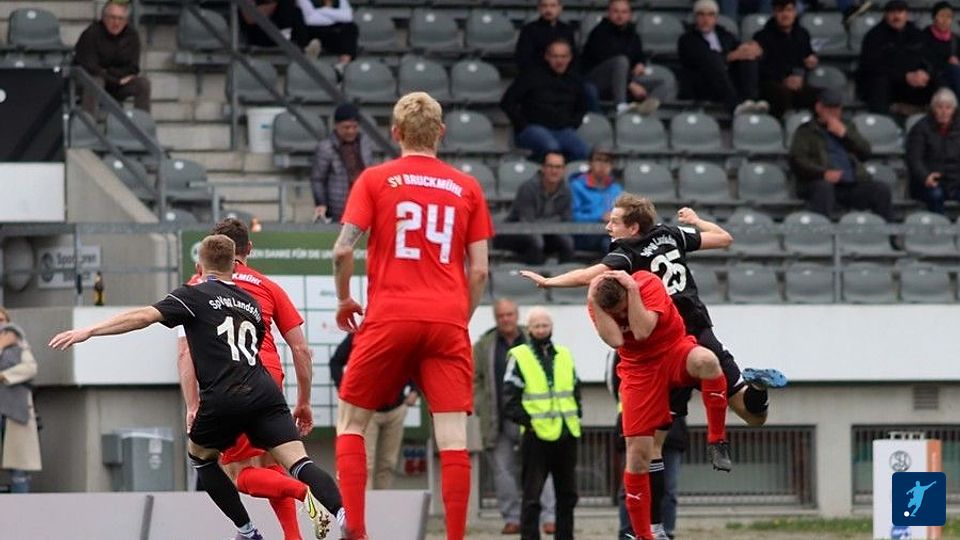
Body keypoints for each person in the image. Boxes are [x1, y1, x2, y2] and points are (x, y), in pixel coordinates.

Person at [50, 235, 343, 540]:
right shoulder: (252, 303)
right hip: (265, 390)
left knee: (204, 459)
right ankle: (343, 515)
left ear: (199, 265)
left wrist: (90, 330)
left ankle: (248, 530)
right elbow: (285, 347)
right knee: (298, 462)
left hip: (226, 395)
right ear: (234, 264)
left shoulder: (192, 295)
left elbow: (147, 319)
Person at [332, 91, 493, 540]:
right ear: (441, 132)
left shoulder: (375, 179)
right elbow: (480, 270)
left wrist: (344, 299)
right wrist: (459, 318)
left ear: (395, 132)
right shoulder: (467, 187)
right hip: (446, 320)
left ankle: (356, 530)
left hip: (390, 314)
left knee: (351, 423)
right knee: (453, 436)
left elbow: (342, 250)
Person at [177, 218, 315, 540]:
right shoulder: (267, 286)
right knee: (273, 461)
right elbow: (301, 349)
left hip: (233, 378)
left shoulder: (197, 287)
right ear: (248, 248)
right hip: (269, 377)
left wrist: (192, 405)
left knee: (238, 473)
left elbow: (185, 353)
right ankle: (293, 536)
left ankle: (304, 492)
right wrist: (304, 401)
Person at [588, 270, 728, 540]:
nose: (621, 316)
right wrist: (594, 302)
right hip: (639, 371)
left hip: (672, 350)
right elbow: (616, 341)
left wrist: (632, 291)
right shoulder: (598, 302)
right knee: (638, 458)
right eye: (616, 313)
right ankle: (644, 534)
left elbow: (642, 331)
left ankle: (717, 440)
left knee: (707, 361)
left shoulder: (647, 283)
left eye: (623, 309)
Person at [473, 299, 556, 535]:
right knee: (503, 472)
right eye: (501, 315)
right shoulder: (485, 345)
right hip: (497, 419)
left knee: (541, 468)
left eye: (509, 314)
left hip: (531, 418)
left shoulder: (532, 338)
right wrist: (479, 405)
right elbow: (475, 379)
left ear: (517, 315)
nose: (506, 319)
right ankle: (512, 518)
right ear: (496, 318)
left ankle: (549, 517)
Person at [502, 307, 581, 540]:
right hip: (536, 436)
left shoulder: (564, 354)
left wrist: (577, 413)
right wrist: (529, 423)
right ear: (528, 329)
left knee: (567, 495)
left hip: (567, 433)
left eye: (544, 325)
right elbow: (510, 399)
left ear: (551, 327)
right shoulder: (519, 356)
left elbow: (575, 389)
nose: (541, 330)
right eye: (536, 326)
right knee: (532, 496)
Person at [330, 333, 419, 490]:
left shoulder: (402, 331)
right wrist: (344, 389)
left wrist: (414, 390)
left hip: (396, 410)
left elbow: (413, 362)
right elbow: (335, 362)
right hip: (367, 411)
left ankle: (383, 503)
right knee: (366, 464)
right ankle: (367, 503)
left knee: (388, 464)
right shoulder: (361, 332)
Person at [789, 88, 894, 220]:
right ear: (819, 107)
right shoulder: (806, 131)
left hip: (851, 183)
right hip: (821, 182)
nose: (833, 113)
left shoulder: (847, 126)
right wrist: (823, 173)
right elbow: (797, 160)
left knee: (881, 190)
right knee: (824, 189)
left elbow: (865, 153)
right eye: (829, 108)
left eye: (837, 109)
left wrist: (845, 134)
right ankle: (820, 232)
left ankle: (888, 232)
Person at [501, 40, 590, 162]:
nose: (559, 61)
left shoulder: (575, 79)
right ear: (547, 57)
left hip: (563, 130)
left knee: (583, 151)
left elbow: (582, 107)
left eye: (563, 56)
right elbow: (507, 102)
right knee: (552, 148)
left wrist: (572, 124)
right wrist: (523, 125)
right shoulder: (531, 75)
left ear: (570, 57)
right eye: (555, 56)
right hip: (533, 129)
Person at [677, 0, 765, 115]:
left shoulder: (724, 35)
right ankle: (734, 106)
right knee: (714, 61)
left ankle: (750, 100)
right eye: (701, 15)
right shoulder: (687, 39)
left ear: (716, 18)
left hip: (728, 81)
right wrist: (731, 56)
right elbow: (705, 59)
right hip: (702, 84)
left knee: (748, 57)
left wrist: (752, 49)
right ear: (695, 17)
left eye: (710, 15)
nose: (706, 19)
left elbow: (738, 49)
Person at [495, 152, 576, 266]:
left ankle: (567, 275)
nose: (554, 171)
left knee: (567, 243)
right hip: (515, 232)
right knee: (536, 242)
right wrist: (554, 220)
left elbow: (566, 222)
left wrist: (552, 224)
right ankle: (533, 276)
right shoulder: (528, 188)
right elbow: (528, 223)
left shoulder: (566, 191)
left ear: (564, 170)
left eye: (558, 167)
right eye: (550, 166)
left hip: (546, 233)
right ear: (543, 168)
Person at [581, 0, 660, 115]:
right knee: (621, 61)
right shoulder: (599, 33)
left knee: (663, 81)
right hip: (597, 81)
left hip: (626, 79)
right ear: (609, 13)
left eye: (624, 12)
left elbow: (639, 55)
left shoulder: (632, 33)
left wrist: (640, 64)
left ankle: (646, 111)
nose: (620, 16)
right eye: (616, 11)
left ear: (630, 15)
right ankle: (621, 106)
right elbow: (609, 65)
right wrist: (630, 84)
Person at [857, 0, 932, 116]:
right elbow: (871, 66)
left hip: (911, 84)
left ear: (906, 14)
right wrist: (904, 76)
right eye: (892, 12)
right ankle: (881, 121)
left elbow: (928, 58)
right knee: (879, 82)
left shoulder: (916, 34)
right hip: (887, 85)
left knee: (937, 79)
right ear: (885, 14)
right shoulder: (874, 36)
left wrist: (924, 72)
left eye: (900, 11)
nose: (896, 16)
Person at [74, 0, 151, 114]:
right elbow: (91, 68)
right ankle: (88, 121)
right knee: (95, 81)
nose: (116, 22)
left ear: (126, 21)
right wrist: (116, 80)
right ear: (104, 18)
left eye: (121, 19)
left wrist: (112, 75)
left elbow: (133, 68)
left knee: (143, 84)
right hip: (91, 81)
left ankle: (143, 122)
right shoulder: (90, 34)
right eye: (112, 18)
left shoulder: (132, 36)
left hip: (117, 83)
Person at [753, 0, 819, 118]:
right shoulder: (762, 36)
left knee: (822, 97)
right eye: (780, 11)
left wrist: (811, 61)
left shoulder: (803, 34)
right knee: (782, 94)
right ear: (774, 13)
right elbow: (760, 68)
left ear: (795, 12)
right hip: (772, 83)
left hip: (798, 82)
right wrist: (784, 79)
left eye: (789, 10)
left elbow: (808, 56)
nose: (785, 15)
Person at [311, 103, 374, 224]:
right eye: (346, 127)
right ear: (336, 125)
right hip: (338, 207)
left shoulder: (365, 143)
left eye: (354, 127)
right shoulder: (326, 147)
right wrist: (321, 203)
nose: (351, 131)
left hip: (365, 203)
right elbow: (318, 179)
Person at [0, 311, 41, 494]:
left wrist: (4, 375)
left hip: (15, 409)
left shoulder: (19, 343)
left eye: (2, 320)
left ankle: (21, 500)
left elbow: (30, 368)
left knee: (18, 461)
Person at [906, 88, 960, 214]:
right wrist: (925, 176)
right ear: (933, 109)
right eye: (940, 107)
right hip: (929, 181)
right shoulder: (920, 128)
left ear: (954, 110)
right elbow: (914, 159)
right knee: (936, 195)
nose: (944, 112)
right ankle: (940, 225)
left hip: (955, 181)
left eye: (948, 108)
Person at [570, 146, 623, 254]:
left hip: (609, 233)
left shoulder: (616, 189)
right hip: (584, 235)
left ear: (612, 166)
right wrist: (600, 216)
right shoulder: (576, 186)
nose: (602, 165)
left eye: (607, 161)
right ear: (590, 163)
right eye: (598, 160)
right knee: (611, 244)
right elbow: (572, 216)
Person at [292, 0, 358, 70]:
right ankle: (308, 51)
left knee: (351, 27)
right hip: (311, 31)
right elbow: (310, 19)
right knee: (299, 17)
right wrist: (336, 17)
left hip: (331, 32)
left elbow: (348, 17)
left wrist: (319, 11)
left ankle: (342, 64)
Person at [515, 0, 576, 72]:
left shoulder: (566, 29)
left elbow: (573, 56)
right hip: (537, 74)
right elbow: (524, 58)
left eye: (553, 6)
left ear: (560, 8)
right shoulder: (529, 30)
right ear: (539, 8)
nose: (548, 9)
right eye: (544, 6)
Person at [921, 2, 960, 101]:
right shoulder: (924, 36)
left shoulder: (955, 39)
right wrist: (947, 62)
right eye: (941, 16)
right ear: (934, 17)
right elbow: (924, 59)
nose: (945, 20)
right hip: (932, 75)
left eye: (949, 17)